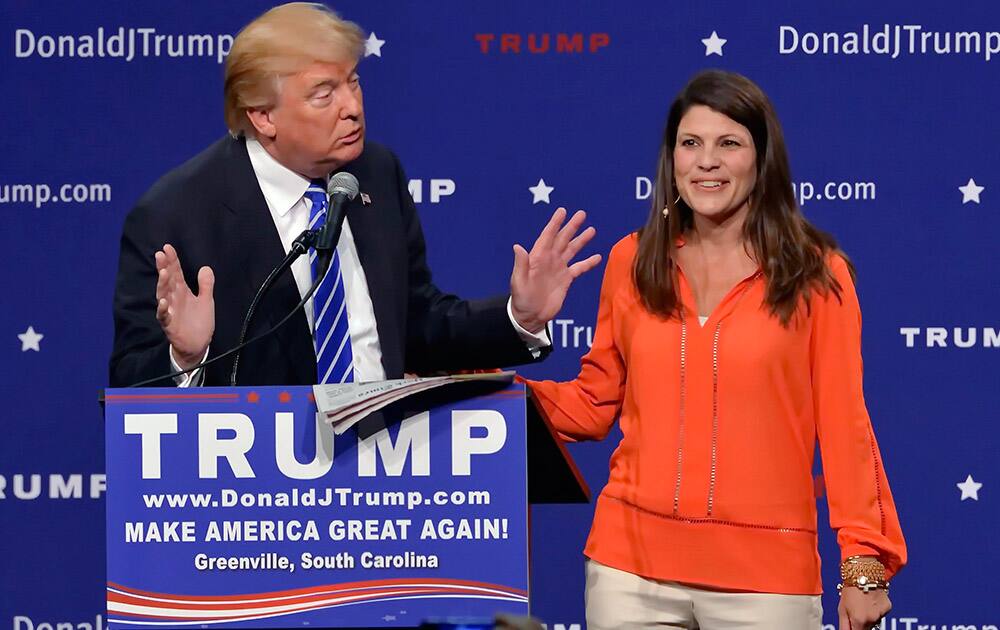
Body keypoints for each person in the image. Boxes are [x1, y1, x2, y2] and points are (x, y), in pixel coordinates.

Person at [526, 70, 906, 630]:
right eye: (690, 143)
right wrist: (475, 387)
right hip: (628, 575)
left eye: (728, 144)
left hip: (765, 583)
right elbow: (593, 403)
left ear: (762, 159)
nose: (706, 161)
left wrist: (864, 563)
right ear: (671, 158)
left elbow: (846, 425)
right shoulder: (633, 261)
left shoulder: (817, 275)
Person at [109, 2, 601, 388]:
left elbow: (417, 324)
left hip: (378, 486)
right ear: (262, 116)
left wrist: (521, 317)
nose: (352, 107)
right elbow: (131, 386)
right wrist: (185, 359)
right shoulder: (177, 216)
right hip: (257, 496)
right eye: (324, 93)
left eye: (354, 82)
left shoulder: (376, 173)